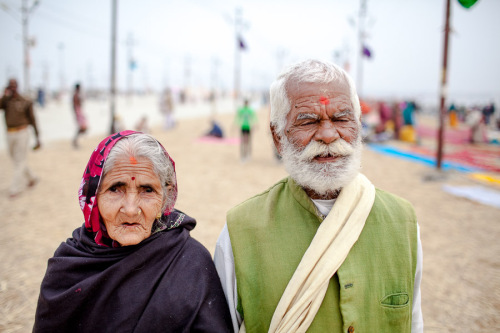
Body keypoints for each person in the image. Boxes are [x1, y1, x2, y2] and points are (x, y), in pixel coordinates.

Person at [214, 59, 423, 332]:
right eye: (309, 121)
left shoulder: (402, 222)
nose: (327, 134)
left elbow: (413, 322)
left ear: (358, 126)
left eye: (341, 118)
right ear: (278, 137)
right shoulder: (240, 232)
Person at [34, 131, 233, 332]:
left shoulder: (190, 262)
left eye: (147, 190)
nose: (130, 209)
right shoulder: (68, 266)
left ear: (165, 197)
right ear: (93, 197)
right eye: (115, 189)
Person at [0, 78, 41, 198]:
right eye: (10, 85)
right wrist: (5, 95)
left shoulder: (25, 101)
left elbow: (33, 120)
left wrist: (37, 137)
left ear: (17, 86)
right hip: (9, 133)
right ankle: (32, 178)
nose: (12, 88)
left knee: (20, 160)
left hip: (22, 132)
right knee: (16, 159)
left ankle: (14, 189)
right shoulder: (6, 101)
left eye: (14, 85)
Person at [72, 83, 87, 148]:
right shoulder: (76, 95)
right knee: (82, 127)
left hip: (79, 111)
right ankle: (75, 140)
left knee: (83, 127)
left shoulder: (76, 95)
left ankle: (76, 140)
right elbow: (76, 104)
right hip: (78, 111)